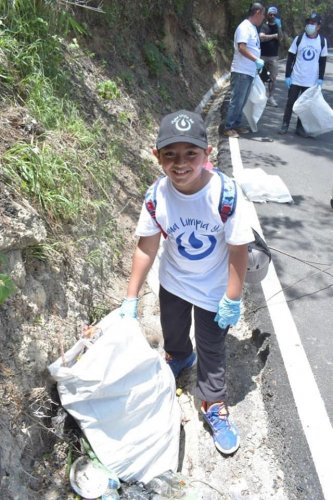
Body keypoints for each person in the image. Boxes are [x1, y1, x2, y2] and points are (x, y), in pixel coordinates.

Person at [119, 109, 254, 455]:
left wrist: (232, 297)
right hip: (174, 283)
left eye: (190, 154)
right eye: (170, 155)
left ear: (207, 155)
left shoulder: (225, 194)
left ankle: (213, 404)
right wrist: (130, 299)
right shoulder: (156, 196)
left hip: (213, 290)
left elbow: (239, 249)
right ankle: (180, 357)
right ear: (156, 156)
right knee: (174, 332)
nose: (180, 164)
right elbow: (146, 247)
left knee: (212, 348)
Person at [279, 12, 328, 136]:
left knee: (305, 106)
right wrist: (287, 76)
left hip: (311, 80)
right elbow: (290, 57)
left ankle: (300, 128)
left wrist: (320, 79)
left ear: (318, 26)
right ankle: (285, 125)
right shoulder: (299, 38)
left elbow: (322, 61)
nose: (309, 25)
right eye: (308, 23)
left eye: (313, 23)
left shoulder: (322, 41)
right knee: (291, 103)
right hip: (296, 78)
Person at [223, 3, 266, 138]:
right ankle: (228, 127)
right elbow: (242, 48)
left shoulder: (252, 28)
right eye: (263, 14)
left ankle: (236, 124)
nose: (263, 18)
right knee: (237, 100)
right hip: (241, 70)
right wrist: (256, 60)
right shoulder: (244, 27)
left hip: (249, 71)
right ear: (257, 12)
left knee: (243, 100)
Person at [259, 6, 283, 107]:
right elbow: (261, 37)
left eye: (274, 14)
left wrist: (280, 27)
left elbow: (281, 38)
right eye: (270, 14)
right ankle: (261, 97)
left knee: (273, 78)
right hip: (262, 56)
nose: (272, 16)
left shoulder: (278, 27)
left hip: (273, 57)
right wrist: (273, 36)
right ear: (267, 15)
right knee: (261, 78)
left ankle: (271, 97)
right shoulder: (264, 26)